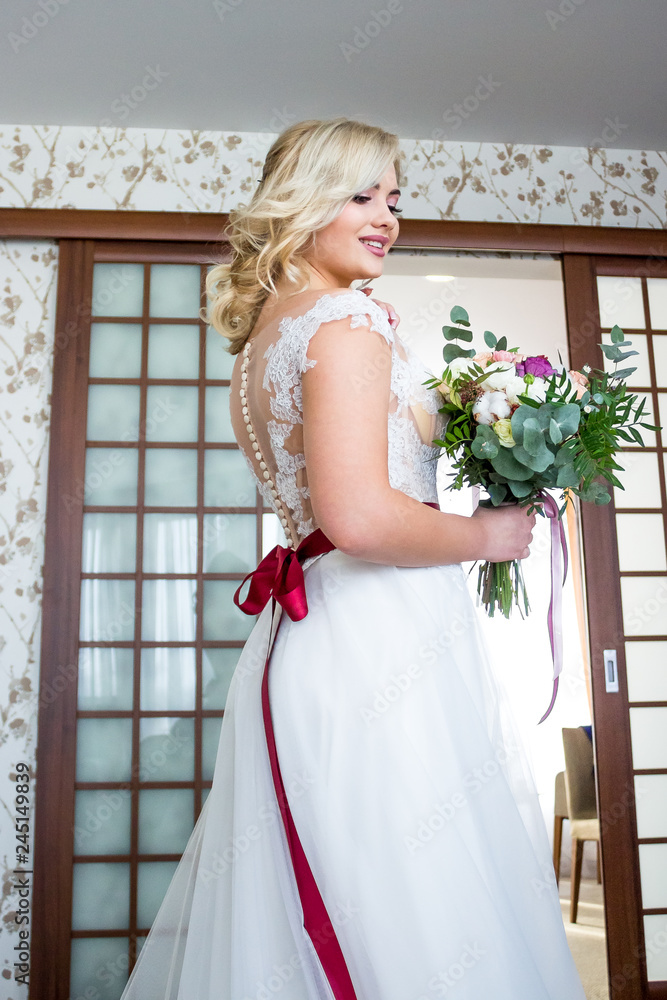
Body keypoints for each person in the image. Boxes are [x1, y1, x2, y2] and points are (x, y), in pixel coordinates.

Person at [120, 117, 586, 1000]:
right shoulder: (344, 322)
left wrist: (459, 402)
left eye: (393, 199)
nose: (386, 218)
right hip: (378, 641)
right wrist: (488, 536)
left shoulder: (265, 340)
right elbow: (361, 518)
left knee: (354, 897)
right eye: (361, 195)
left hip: (310, 638)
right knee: (420, 906)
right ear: (301, 202)